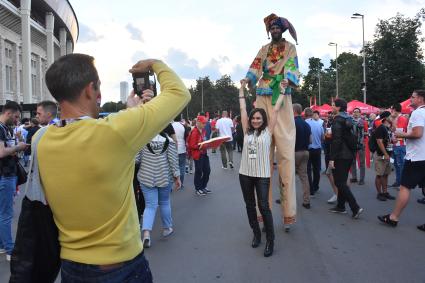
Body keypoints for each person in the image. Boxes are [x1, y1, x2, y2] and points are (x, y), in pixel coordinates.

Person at [37, 54, 190, 281]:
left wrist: (130, 113)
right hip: (119, 266)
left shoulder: (40, 139)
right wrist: (154, 64)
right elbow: (179, 93)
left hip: (70, 266)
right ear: (90, 90)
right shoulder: (116, 131)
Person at [243, 13, 300, 229]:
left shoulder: (290, 48)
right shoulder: (264, 49)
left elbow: (293, 67)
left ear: (282, 30)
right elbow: (255, 67)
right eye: (272, 27)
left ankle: (288, 214)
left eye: (277, 27)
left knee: (285, 156)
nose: (274, 30)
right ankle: (263, 214)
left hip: (282, 98)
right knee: (261, 161)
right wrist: (248, 79)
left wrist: (289, 78)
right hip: (262, 97)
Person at [238, 79, 286, 257]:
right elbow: (243, 109)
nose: (256, 120)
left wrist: (281, 92)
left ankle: (270, 241)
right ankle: (256, 234)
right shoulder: (246, 131)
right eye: (253, 118)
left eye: (259, 118)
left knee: (264, 206)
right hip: (245, 174)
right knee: (249, 206)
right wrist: (241, 90)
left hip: (262, 175)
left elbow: (275, 110)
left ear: (263, 120)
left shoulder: (268, 131)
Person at [378, 90, 425, 232]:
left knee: (405, 187)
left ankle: (393, 218)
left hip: (416, 157)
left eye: (413, 97)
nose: (410, 99)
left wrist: (402, 134)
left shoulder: (418, 113)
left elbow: (417, 134)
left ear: (421, 99)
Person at [136, 130, 180, 248]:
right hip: (164, 177)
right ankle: (167, 228)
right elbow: (173, 161)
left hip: (146, 177)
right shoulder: (169, 141)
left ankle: (146, 234)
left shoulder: (142, 140)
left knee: (150, 206)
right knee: (165, 202)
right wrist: (177, 177)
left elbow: (136, 159)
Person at [0, 101, 28, 261]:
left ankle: (3, 245)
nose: (18, 120)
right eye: (16, 116)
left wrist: (16, 143)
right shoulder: (0, 128)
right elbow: (2, 152)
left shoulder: (6, 128)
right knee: (6, 214)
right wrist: (18, 147)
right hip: (5, 175)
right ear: (8, 113)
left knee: (3, 213)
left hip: (7, 175)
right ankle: (10, 250)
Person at [328, 98, 363, 218]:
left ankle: (355, 207)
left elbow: (337, 140)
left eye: (333, 105)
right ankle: (341, 206)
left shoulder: (338, 120)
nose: (331, 107)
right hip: (350, 153)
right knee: (342, 180)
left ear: (338, 108)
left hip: (341, 155)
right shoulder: (349, 118)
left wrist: (332, 158)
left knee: (339, 182)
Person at [373, 111, 396, 201]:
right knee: (379, 175)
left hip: (387, 154)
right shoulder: (381, 128)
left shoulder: (388, 128)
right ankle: (379, 193)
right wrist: (385, 154)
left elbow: (388, 139)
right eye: (391, 116)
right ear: (386, 118)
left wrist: (393, 141)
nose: (393, 117)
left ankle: (385, 192)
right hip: (381, 155)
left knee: (386, 174)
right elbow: (379, 142)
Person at [293, 104, 312, 209]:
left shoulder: (292, 123)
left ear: (294, 111)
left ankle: (286, 198)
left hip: (295, 152)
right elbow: (310, 140)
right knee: (304, 177)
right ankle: (306, 201)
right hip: (306, 152)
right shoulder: (306, 124)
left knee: (287, 177)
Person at [187, 115, 211, 196]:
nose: (204, 124)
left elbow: (204, 140)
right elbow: (191, 145)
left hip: (204, 153)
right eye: (203, 123)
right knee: (199, 171)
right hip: (198, 155)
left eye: (205, 123)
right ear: (198, 123)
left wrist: (208, 144)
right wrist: (201, 146)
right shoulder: (194, 132)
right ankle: (198, 188)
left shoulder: (203, 131)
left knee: (207, 170)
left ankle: (203, 186)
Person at [305, 108, 324, 196]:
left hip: (308, 149)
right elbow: (323, 138)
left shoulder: (305, 123)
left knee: (308, 170)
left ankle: (311, 189)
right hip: (317, 149)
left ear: (305, 114)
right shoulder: (319, 124)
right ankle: (316, 186)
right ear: (312, 114)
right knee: (317, 169)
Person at [389, 103, 408, 188]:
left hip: (400, 144)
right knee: (397, 165)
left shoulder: (401, 118)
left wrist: (393, 121)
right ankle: (398, 181)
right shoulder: (396, 118)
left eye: (391, 109)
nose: (390, 111)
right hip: (396, 144)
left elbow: (398, 131)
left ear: (395, 110)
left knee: (400, 165)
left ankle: (401, 183)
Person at [323, 111, 338, 203]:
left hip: (336, 153)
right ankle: (341, 194)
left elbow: (335, 139)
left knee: (332, 174)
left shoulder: (337, 124)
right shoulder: (329, 123)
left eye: (332, 114)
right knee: (343, 176)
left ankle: (338, 194)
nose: (330, 115)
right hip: (333, 151)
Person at [350, 108, 366, 185]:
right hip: (352, 144)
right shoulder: (350, 121)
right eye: (354, 112)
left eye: (357, 112)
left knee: (362, 162)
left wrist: (361, 141)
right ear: (352, 113)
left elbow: (366, 132)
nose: (355, 113)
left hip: (361, 144)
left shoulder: (363, 122)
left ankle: (362, 179)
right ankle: (354, 177)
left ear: (360, 113)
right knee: (352, 161)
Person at [172, 116, 187, 189]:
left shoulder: (171, 126)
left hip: (173, 149)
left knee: (172, 167)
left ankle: (172, 184)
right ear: (180, 119)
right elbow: (186, 137)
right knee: (182, 167)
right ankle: (181, 183)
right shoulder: (183, 126)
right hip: (182, 148)